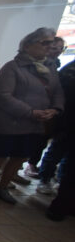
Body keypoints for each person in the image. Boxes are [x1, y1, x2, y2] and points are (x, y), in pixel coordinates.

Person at [0, 27, 64, 204]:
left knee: (19, 157)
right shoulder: (12, 68)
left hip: (34, 124)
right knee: (0, 155)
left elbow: (57, 91)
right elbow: (3, 96)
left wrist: (55, 109)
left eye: (51, 43)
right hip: (10, 122)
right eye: (45, 43)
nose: (49, 47)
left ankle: (3, 187)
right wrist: (30, 112)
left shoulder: (50, 68)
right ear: (28, 45)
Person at [25, 36, 67, 178]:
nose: (57, 51)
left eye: (61, 48)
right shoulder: (34, 64)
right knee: (25, 141)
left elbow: (57, 90)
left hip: (49, 110)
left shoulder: (55, 66)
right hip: (32, 108)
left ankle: (30, 164)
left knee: (41, 140)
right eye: (54, 47)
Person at [46, 59, 75, 221]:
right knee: (70, 169)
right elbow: (62, 94)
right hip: (69, 125)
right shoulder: (71, 70)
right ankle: (61, 206)